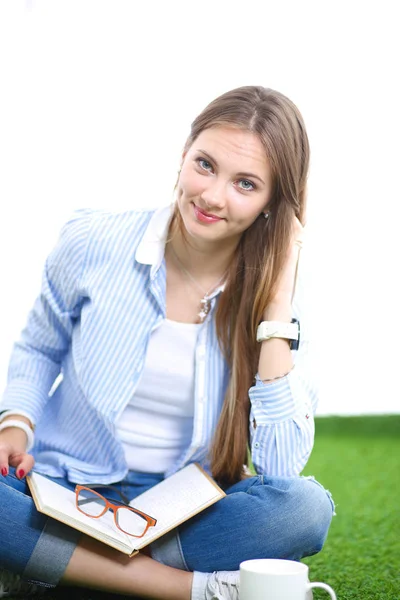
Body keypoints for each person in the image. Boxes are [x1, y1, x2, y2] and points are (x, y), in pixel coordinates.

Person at [0, 85, 335, 600]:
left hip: (181, 508)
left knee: (305, 508)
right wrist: (15, 426)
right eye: (205, 165)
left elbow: (281, 468)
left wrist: (277, 294)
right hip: (64, 487)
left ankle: (61, 566)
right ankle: (191, 590)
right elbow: (39, 347)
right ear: (183, 155)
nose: (213, 195)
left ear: (274, 202)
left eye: (246, 184)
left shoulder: (283, 296)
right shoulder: (93, 240)